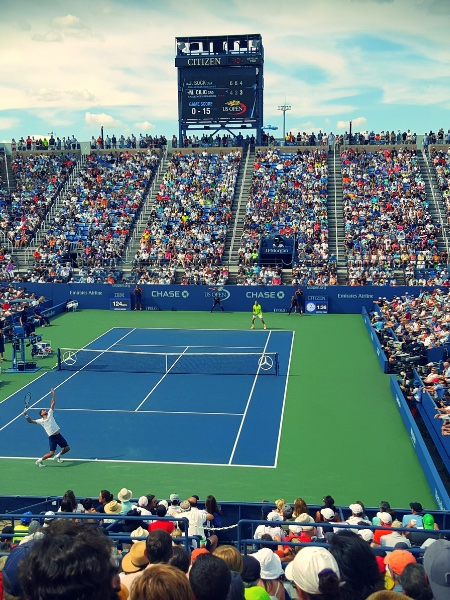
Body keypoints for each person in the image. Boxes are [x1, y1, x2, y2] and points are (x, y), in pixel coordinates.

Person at [24, 388, 70, 467]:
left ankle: (58, 456)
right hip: (52, 438)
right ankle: (39, 461)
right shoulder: (40, 421)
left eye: (44, 410)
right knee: (51, 453)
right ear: (41, 414)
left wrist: (53, 394)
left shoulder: (50, 414)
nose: (44, 410)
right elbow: (30, 421)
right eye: (43, 411)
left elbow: (53, 403)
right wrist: (26, 415)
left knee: (67, 448)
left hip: (59, 435)